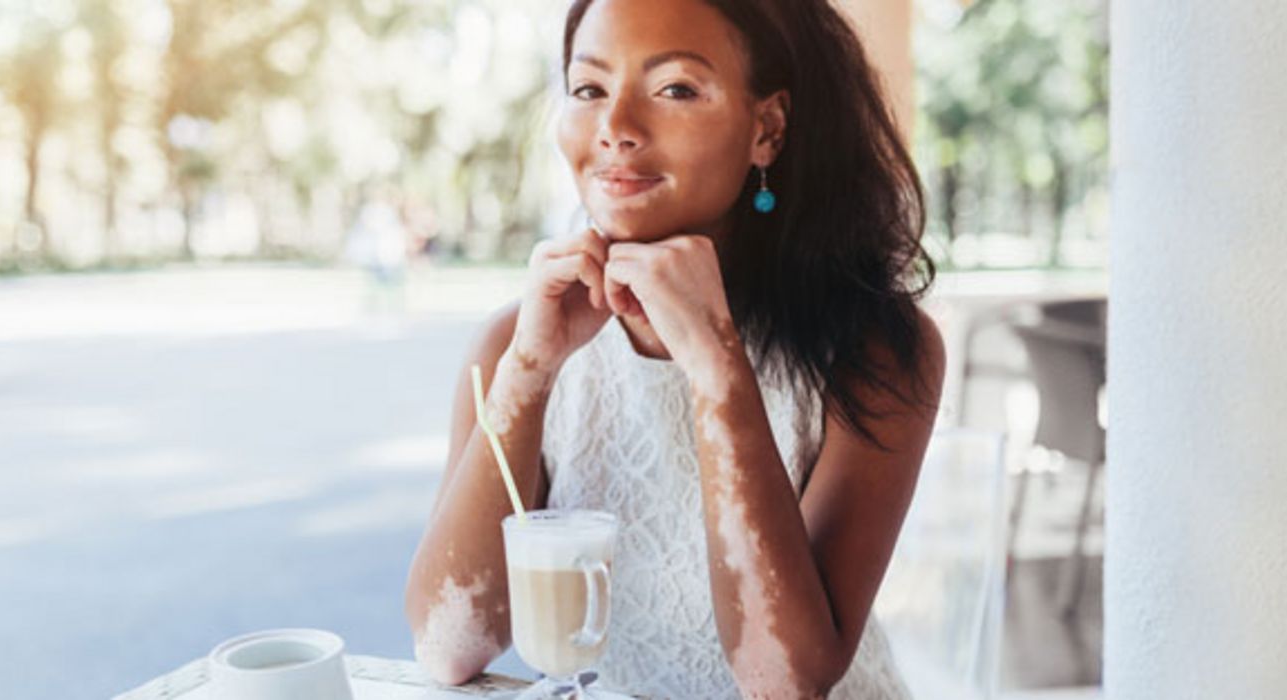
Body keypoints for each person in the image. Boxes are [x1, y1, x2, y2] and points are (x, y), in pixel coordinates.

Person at [404, 0, 945, 697]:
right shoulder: (514, 344)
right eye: (588, 89)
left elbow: (784, 681)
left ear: (767, 128)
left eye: (675, 89)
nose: (615, 129)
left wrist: (717, 365)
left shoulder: (872, 353)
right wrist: (528, 374)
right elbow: (449, 649)